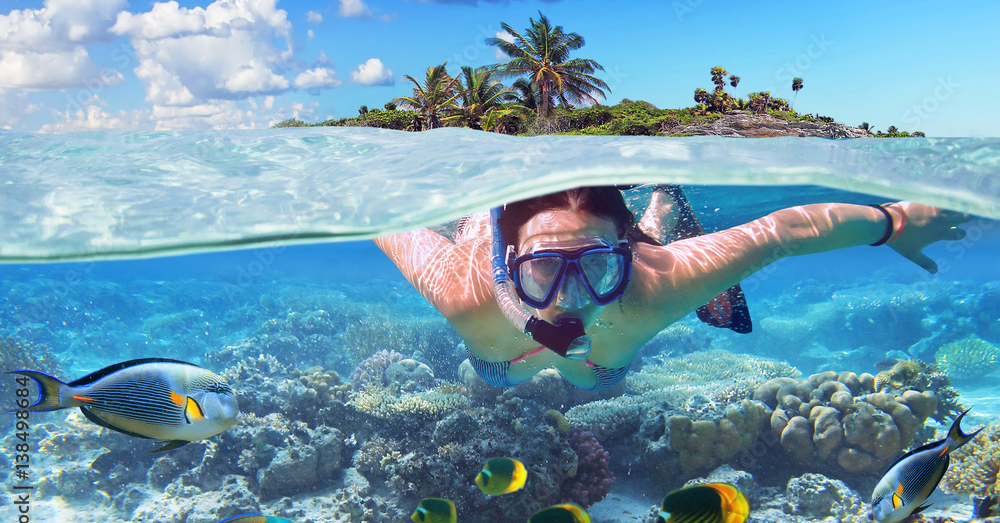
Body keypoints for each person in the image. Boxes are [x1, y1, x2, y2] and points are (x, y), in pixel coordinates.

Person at [374, 186, 968, 391]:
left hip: (603, 365)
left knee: (588, 375)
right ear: (507, 264)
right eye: (543, 268)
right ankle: (659, 212)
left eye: (600, 268)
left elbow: (781, 232)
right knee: (504, 371)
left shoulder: (651, 286)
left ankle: (658, 211)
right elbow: (379, 217)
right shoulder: (465, 291)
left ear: (623, 257)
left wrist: (893, 222)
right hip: (502, 358)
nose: (570, 297)